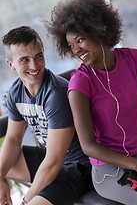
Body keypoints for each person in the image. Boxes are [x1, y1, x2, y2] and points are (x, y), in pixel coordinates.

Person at [47, 0, 137, 205]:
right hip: (110, 172)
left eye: (80, 40)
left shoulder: (135, 60)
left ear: (100, 28)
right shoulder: (80, 83)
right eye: (71, 45)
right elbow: (88, 145)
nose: (76, 49)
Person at [0, 26, 93, 205]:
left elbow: (54, 161)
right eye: (24, 60)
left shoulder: (56, 94)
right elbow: (12, 139)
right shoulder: (15, 92)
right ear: (11, 64)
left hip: (78, 168)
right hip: (50, 158)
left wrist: (26, 200)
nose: (34, 66)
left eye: (39, 56)